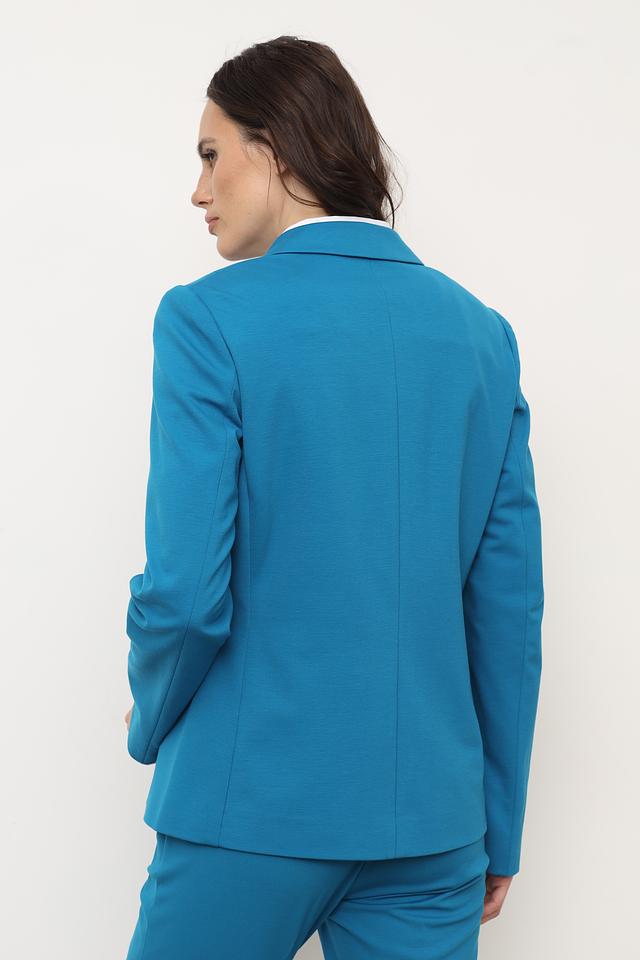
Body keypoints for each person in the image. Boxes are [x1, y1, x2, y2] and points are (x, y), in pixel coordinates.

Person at [123, 35, 544, 960]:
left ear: (274, 150)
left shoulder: (206, 320)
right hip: (431, 826)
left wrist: (150, 715)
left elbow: (187, 596)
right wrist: (497, 824)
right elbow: (507, 614)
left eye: (210, 154)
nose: (198, 190)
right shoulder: (483, 339)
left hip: (246, 809)